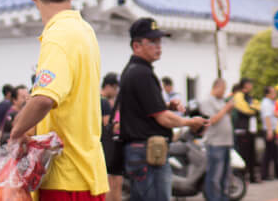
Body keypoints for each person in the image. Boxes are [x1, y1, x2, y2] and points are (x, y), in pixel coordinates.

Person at [8, 0, 108, 201]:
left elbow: (44, 98)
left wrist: (16, 132)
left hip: (66, 177)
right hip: (89, 170)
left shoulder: (58, 36)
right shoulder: (85, 31)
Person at [117, 17, 206, 201]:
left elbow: (145, 110)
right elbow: (163, 118)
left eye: (159, 41)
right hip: (147, 152)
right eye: (152, 42)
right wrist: (190, 122)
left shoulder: (133, 70)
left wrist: (166, 106)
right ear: (136, 46)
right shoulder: (142, 73)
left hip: (141, 151)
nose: (158, 46)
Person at [198, 78, 234, 201]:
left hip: (226, 143)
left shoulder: (221, 101)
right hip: (215, 144)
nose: (224, 92)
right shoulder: (207, 101)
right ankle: (213, 198)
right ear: (216, 87)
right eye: (223, 89)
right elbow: (212, 120)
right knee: (214, 175)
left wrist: (228, 109)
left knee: (225, 175)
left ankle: (223, 198)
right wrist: (226, 108)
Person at [99, 73, 123, 201]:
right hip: (107, 145)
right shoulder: (104, 103)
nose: (115, 92)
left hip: (96, 143)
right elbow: (109, 126)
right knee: (114, 181)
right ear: (108, 86)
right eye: (115, 89)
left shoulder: (93, 98)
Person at [229, 78, 258, 183]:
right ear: (245, 85)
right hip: (242, 130)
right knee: (243, 155)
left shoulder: (249, 97)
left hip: (251, 130)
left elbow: (256, 107)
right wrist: (252, 109)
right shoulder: (239, 96)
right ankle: (242, 178)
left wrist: (252, 108)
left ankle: (252, 177)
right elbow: (245, 110)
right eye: (250, 84)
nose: (251, 86)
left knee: (252, 154)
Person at [257, 86, 278, 181]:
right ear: (268, 94)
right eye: (273, 92)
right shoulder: (266, 103)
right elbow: (267, 117)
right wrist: (270, 131)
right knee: (268, 153)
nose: (275, 94)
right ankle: (264, 175)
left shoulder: (271, 102)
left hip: (272, 130)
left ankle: (277, 173)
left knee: (274, 152)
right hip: (269, 130)